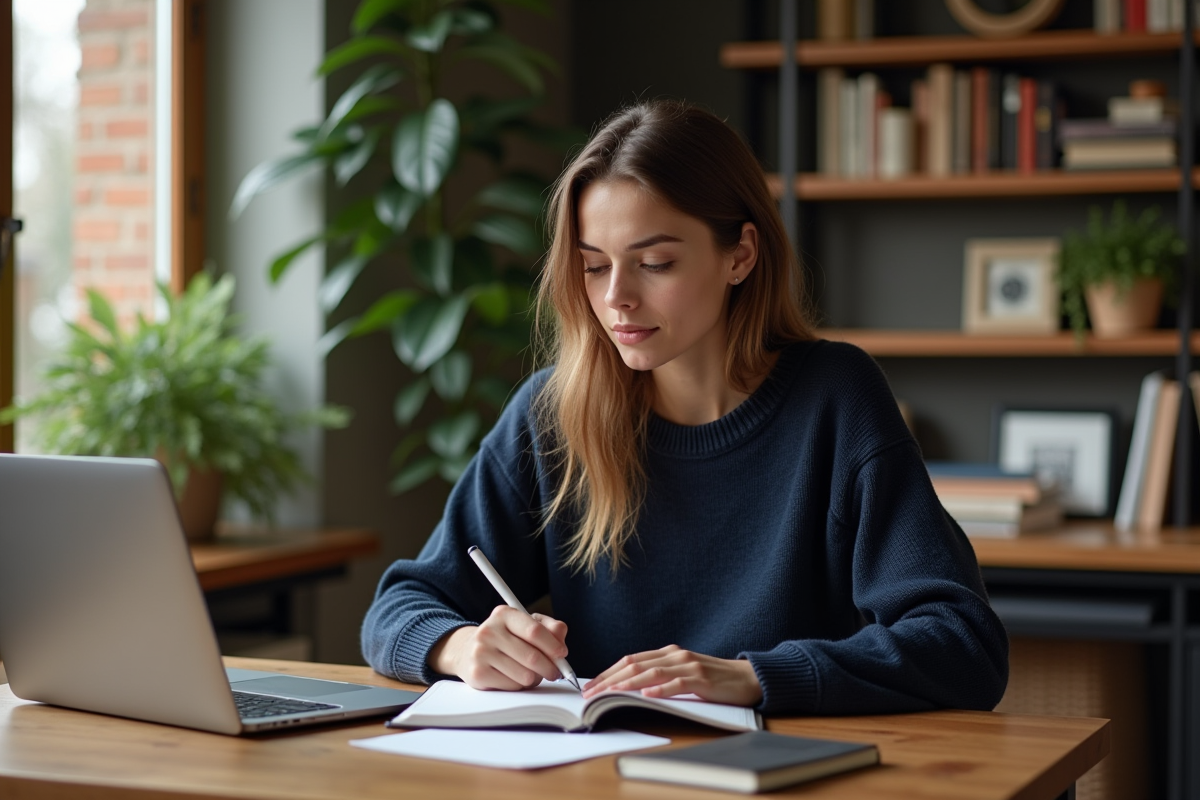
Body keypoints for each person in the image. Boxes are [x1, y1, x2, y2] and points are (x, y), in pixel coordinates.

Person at [362, 99, 1008, 715]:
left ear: (741, 255)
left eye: (655, 262)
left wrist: (753, 676)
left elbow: (962, 644)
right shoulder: (553, 414)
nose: (617, 297)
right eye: (593, 267)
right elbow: (400, 607)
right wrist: (462, 646)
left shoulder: (834, 399)